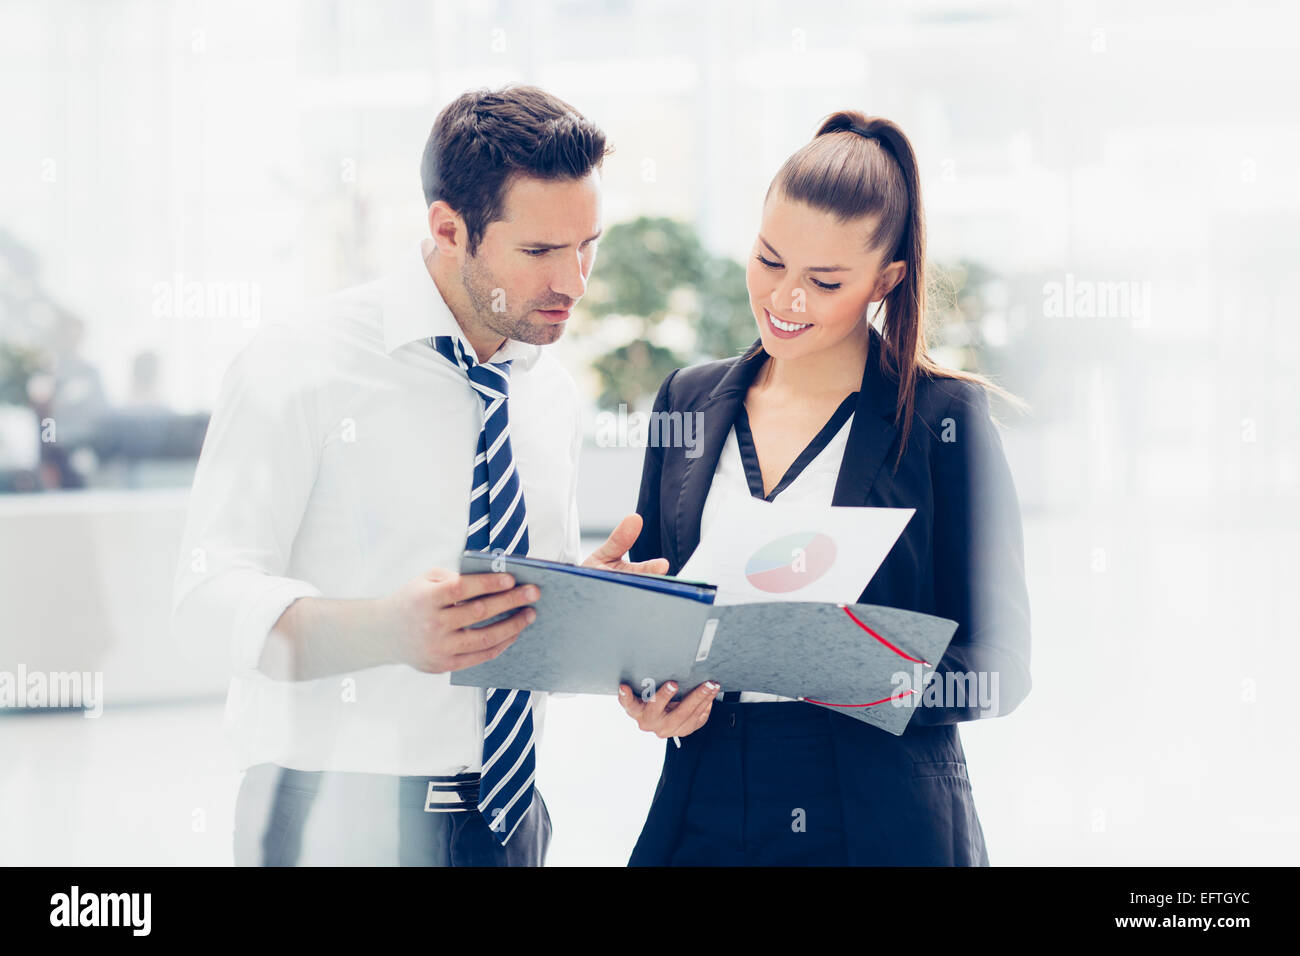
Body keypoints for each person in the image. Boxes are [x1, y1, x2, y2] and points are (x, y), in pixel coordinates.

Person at [172, 85, 665, 867]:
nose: (574, 282)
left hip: (507, 819)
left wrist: (591, 613)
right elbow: (206, 598)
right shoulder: (300, 363)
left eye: (587, 245)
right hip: (334, 812)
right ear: (448, 229)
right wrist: (389, 631)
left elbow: (513, 619)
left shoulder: (548, 391)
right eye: (539, 252)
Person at [618, 110, 1032, 866]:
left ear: (887, 280)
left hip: (877, 814)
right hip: (706, 798)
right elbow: (659, 622)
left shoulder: (946, 422)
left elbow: (1002, 666)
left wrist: (842, 666)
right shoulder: (687, 400)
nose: (787, 298)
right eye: (770, 260)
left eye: (825, 280)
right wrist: (638, 670)